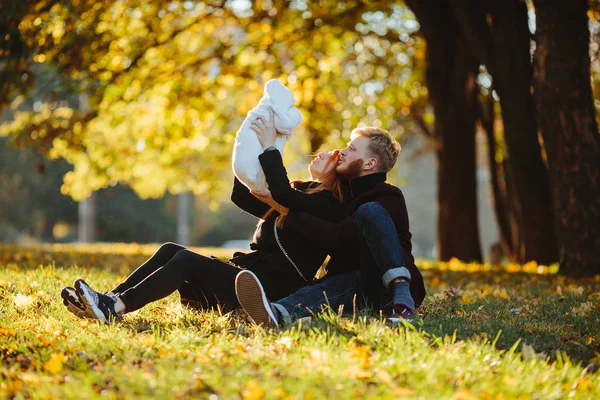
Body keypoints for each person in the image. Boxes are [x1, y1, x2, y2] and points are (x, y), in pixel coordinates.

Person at [60, 109, 347, 323]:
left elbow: (284, 194)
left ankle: (116, 307)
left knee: (186, 259)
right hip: (244, 273)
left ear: (339, 177)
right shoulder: (301, 194)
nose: (326, 153)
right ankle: (107, 300)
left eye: (337, 156)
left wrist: (271, 145)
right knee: (171, 249)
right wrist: (251, 143)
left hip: (263, 288)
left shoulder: (327, 205)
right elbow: (242, 194)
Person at [235, 126, 427, 328]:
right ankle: (277, 313)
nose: (342, 151)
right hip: (359, 288)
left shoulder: (388, 195)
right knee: (333, 284)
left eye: (352, 149)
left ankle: (402, 295)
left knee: (370, 211)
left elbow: (338, 238)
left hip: (388, 285)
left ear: (370, 163)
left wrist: (288, 214)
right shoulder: (343, 199)